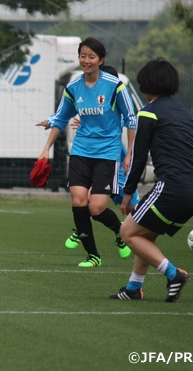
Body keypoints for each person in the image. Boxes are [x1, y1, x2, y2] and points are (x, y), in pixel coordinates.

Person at [36, 37, 136, 267]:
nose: (86, 61)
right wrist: (45, 147)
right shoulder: (73, 87)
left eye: (91, 57)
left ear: (101, 60)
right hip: (81, 151)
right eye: (83, 56)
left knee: (97, 208)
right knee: (79, 201)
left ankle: (121, 232)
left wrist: (129, 153)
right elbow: (61, 117)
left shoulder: (115, 85)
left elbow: (131, 119)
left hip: (107, 154)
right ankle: (93, 255)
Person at [110, 58, 193, 302]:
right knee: (145, 234)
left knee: (127, 231)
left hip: (172, 186)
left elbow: (139, 158)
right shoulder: (187, 116)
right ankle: (133, 288)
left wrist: (127, 192)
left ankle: (174, 274)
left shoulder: (148, 113)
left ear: (146, 85)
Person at [64, 65, 140, 250]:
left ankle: (136, 238)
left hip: (119, 168)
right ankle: (83, 232)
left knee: (133, 212)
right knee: (88, 202)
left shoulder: (118, 105)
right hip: (105, 164)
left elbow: (117, 120)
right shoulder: (98, 101)